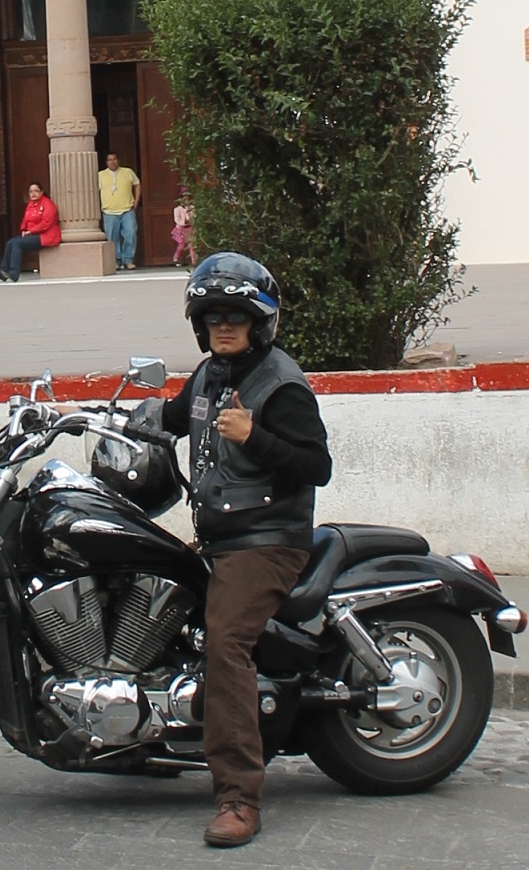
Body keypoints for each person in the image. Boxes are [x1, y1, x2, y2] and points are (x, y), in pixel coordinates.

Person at [152, 253, 331, 849]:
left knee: (226, 642)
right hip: (219, 537)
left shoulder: (280, 383)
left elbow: (316, 466)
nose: (223, 326)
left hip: (267, 541)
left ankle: (237, 796)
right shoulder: (207, 377)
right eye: (212, 317)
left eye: (236, 316)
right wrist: (100, 419)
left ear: (260, 321)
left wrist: (256, 436)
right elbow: (171, 418)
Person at [0, 181, 59, 281]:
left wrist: (31, 231)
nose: (33, 194)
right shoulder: (31, 204)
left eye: (36, 191)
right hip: (33, 235)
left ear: (41, 192)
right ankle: (3, 270)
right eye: (31, 192)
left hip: (46, 236)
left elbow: (46, 223)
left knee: (17, 243)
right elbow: (25, 220)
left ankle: (14, 273)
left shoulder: (48, 204)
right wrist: (24, 230)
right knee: (10, 242)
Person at [98, 151, 142, 271]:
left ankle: (128, 260)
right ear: (106, 162)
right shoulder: (100, 175)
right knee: (112, 238)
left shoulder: (128, 172)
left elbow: (137, 184)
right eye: (110, 159)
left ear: (118, 160)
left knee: (131, 234)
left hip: (127, 209)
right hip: (109, 211)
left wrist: (136, 201)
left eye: (115, 159)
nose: (113, 161)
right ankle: (116, 261)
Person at [171, 195, 195, 268]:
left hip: (189, 228)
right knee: (181, 244)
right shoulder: (177, 209)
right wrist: (183, 222)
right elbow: (177, 219)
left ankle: (194, 260)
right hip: (181, 228)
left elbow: (193, 216)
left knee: (192, 244)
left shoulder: (191, 208)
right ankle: (176, 258)